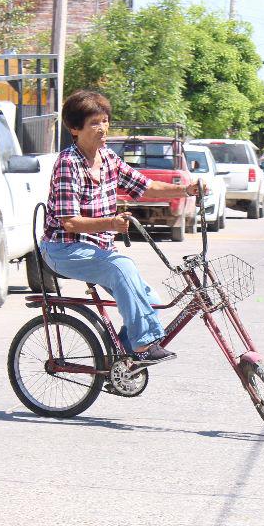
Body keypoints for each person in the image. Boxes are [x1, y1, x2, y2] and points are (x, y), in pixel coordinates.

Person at [40, 90, 200, 364]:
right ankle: (142, 345)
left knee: (148, 298)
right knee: (121, 268)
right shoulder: (68, 164)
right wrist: (111, 223)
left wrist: (186, 189)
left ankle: (122, 357)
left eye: (104, 121)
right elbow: (70, 221)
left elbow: (145, 187)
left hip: (98, 248)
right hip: (63, 248)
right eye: (94, 123)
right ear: (74, 128)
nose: (102, 128)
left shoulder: (109, 158)